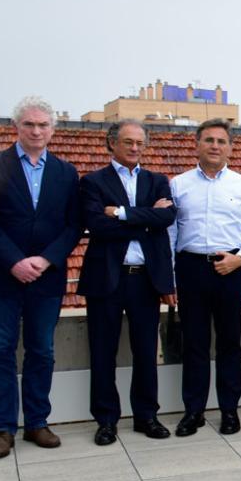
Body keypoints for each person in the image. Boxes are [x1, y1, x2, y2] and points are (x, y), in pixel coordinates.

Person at [0, 96, 80, 459]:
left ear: (53, 129)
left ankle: (37, 422)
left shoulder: (66, 172)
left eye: (43, 125)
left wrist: (47, 259)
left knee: (42, 351)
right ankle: (2, 429)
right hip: (3, 277)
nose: (36, 131)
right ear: (16, 126)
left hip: (46, 280)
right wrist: (16, 261)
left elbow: (73, 224)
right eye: (29, 124)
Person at [77, 119, 176, 445]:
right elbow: (96, 225)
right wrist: (146, 217)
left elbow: (167, 218)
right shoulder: (92, 182)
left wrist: (121, 213)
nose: (134, 148)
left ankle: (146, 416)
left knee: (146, 351)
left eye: (139, 143)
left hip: (145, 280)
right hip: (107, 278)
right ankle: (106, 420)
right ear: (112, 144)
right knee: (103, 352)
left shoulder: (157, 180)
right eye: (128, 142)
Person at [168, 119, 241, 437]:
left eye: (221, 141)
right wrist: (168, 278)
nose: (214, 146)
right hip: (190, 269)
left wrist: (239, 259)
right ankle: (193, 411)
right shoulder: (178, 185)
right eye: (208, 140)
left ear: (230, 148)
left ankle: (229, 411)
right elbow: (170, 234)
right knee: (194, 344)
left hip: (230, 271)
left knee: (229, 344)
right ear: (196, 145)